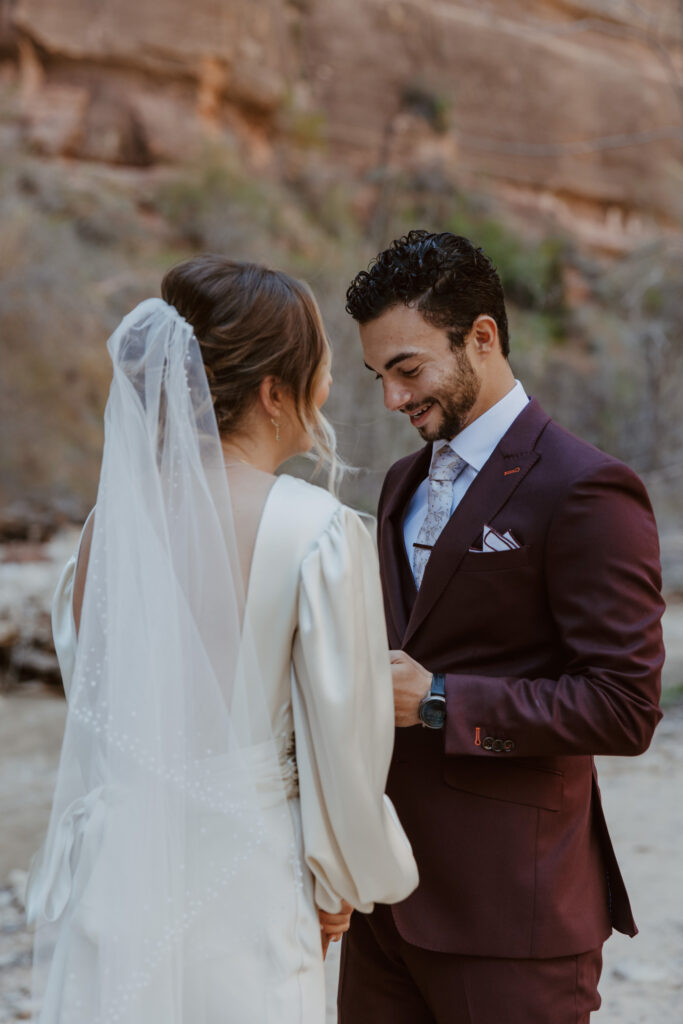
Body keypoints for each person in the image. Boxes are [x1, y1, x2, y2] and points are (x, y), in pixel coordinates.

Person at [26, 255, 418, 1024]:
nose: (330, 390)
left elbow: (99, 704)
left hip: (116, 884)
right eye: (324, 370)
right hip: (249, 891)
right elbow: (345, 744)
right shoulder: (316, 533)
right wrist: (340, 881)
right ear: (274, 393)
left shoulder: (107, 536)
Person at [339, 230, 665, 1024]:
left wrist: (443, 699)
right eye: (378, 375)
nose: (391, 399)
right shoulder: (396, 483)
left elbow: (624, 706)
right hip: (381, 900)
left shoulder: (586, 488)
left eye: (407, 369)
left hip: (511, 911)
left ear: (480, 337)